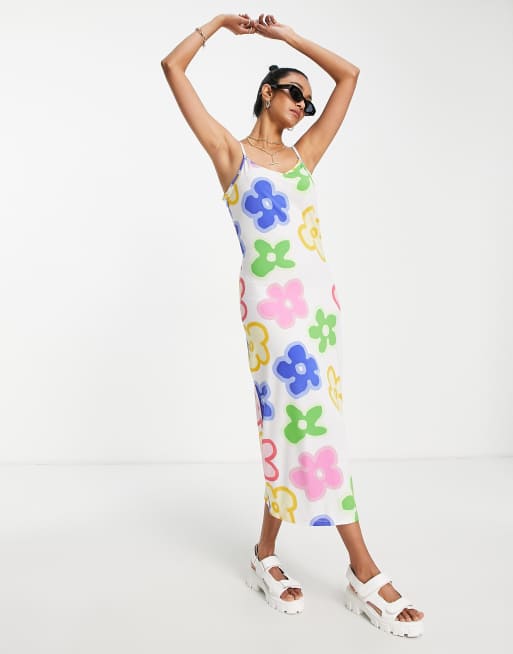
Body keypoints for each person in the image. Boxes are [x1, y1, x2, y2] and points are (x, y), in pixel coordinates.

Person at [160, 13, 425, 637]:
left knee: (292, 423)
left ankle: (264, 552)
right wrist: (218, 24)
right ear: (267, 93)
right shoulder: (231, 154)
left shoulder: (304, 157)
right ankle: (363, 568)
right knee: (312, 423)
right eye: (295, 93)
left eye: (308, 100)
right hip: (271, 314)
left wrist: (289, 39)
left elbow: (349, 76)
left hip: (319, 309)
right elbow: (173, 68)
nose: (305, 106)